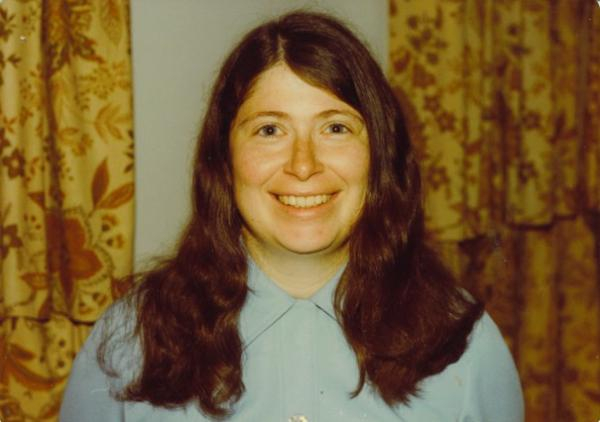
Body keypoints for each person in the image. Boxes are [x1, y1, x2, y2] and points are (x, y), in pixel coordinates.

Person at [60, 11, 524, 422]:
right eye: (270, 130)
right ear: (224, 160)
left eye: (336, 128)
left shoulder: (464, 345)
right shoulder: (130, 339)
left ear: (380, 157)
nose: (303, 165)